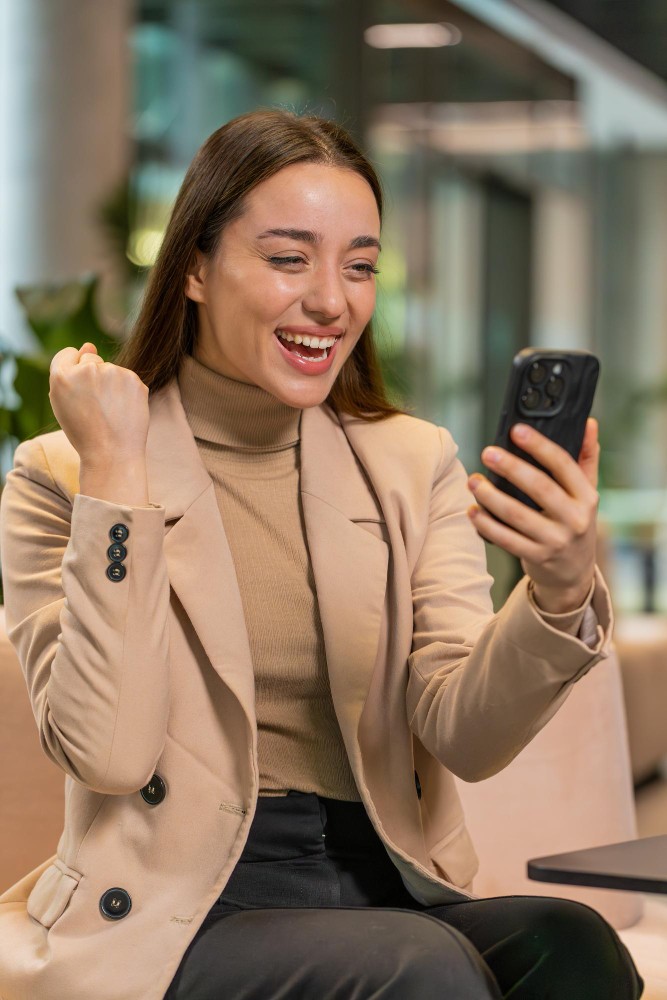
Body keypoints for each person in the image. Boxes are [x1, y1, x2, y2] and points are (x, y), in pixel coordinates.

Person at [0, 109, 641, 1000]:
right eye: (288, 258)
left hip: (385, 885)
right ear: (193, 265)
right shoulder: (65, 471)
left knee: (569, 945)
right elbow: (110, 754)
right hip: (178, 911)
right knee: (423, 970)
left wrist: (559, 590)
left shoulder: (407, 462)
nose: (332, 301)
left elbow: (466, 733)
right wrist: (116, 475)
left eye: (360, 265)